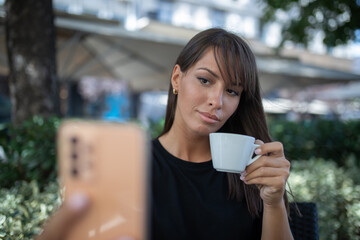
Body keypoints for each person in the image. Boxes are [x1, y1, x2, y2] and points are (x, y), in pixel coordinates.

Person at [37, 28, 293, 240]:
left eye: (233, 91)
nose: (217, 100)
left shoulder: (252, 172)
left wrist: (273, 203)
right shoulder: (130, 165)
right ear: (176, 79)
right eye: (205, 80)